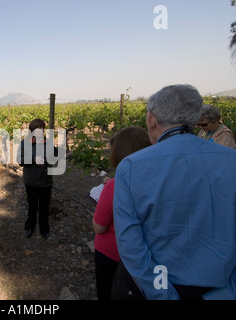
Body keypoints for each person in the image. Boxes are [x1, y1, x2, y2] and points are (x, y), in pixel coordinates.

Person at [112, 84, 236, 300]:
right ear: (195, 117)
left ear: (151, 119)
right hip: (219, 289)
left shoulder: (131, 167)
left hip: (153, 289)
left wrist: (164, 294)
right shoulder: (231, 161)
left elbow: (131, 246)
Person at [92, 126, 151, 300]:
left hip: (112, 254)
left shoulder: (114, 187)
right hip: (142, 256)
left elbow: (99, 227)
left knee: (107, 293)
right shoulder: (156, 181)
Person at [17, 119, 58, 239]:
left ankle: (44, 228)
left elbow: (56, 156)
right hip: (31, 182)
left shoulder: (48, 143)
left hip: (46, 182)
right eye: (37, 128)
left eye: (42, 128)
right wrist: (33, 159)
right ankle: (30, 226)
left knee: (45, 207)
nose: (41, 131)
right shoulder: (25, 143)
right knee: (32, 205)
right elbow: (20, 160)